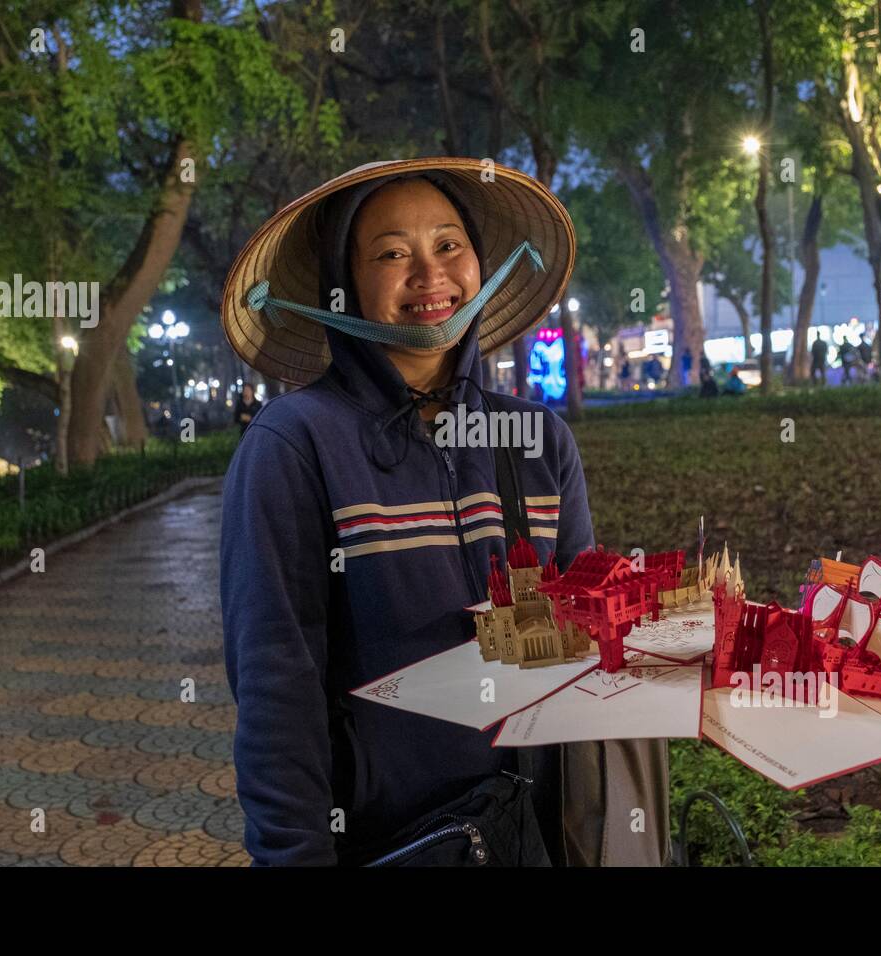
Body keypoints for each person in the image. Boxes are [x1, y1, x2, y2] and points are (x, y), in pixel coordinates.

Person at [218, 158, 670, 867]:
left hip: (536, 835)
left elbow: (587, 643)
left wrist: (690, 651)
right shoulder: (293, 445)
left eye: (448, 245)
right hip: (389, 846)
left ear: (481, 264)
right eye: (392, 253)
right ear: (344, 285)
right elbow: (279, 692)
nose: (430, 277)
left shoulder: (539, 440)